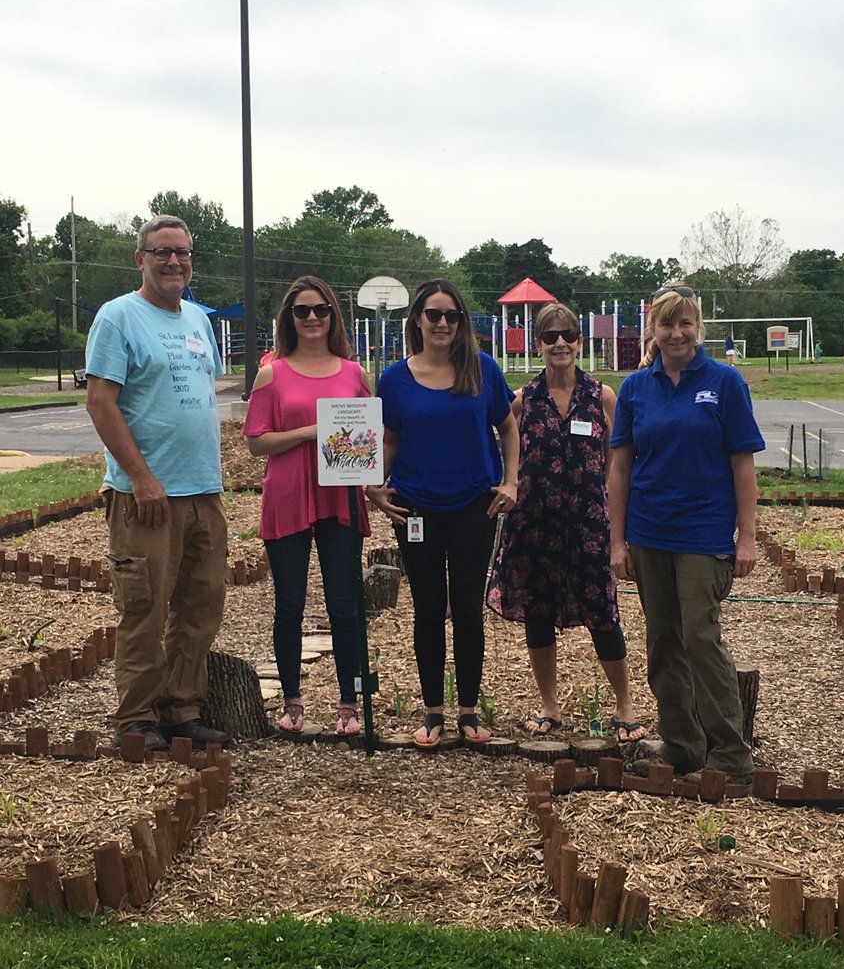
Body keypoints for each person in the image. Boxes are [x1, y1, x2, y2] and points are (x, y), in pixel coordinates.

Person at [608, 284, 765, 781]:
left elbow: (743, 465)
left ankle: (731, 758)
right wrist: (617, 540)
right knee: (663, 643)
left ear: (699, 328)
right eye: (666, 324)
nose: (676, 333)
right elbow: (620, 468)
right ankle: (682, 744)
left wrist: (747, 537)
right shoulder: (636, 388)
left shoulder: (724, 382)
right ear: (652, 329)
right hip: (649, 532)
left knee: (701, 638)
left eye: (685, 323)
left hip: (704, 534)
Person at [85, 214, 229, 752]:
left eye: (183, 253)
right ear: (140, 258)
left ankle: (181, 710)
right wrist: (142, 478)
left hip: (202, 491)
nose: (174, 262)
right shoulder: (118, 317)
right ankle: (137, 719)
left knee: (200, 605)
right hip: (145, 495)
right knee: (144, 608)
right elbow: (101, 401)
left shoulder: (196, 319)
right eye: (162, 252)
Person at [367, 279, 519, 747]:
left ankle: (469, 711)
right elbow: (389, 439)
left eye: (451, 316)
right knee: (429, 609)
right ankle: (433, 710)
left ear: (461, 323)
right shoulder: (394, 378)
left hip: (475, 504)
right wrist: (374, 486)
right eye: (433, 315)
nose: (442, 324)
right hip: (416, 507)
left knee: (469, 608)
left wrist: (512, 481)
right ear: (417, 319)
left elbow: (508, 426)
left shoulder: (483, 370)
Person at [487, 302, 644, 742]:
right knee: (538, 616)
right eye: (550, 335)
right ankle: (549, 706)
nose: (560, 343)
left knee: (603, 614)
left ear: (580, 341)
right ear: (538, 344)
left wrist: (620, 530)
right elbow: (501, 451)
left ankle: (625, 704)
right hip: (533, 527)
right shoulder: (522, 401)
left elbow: (618, 466)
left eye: (568, 335)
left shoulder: (602, 396)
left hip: (589, 527)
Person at [242, 276, 371, 736]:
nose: (312, 317)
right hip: (289, 494)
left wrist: (373, 485)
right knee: (289, 604)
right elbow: (256, 442)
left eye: (321, 309)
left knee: (345, 605)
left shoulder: (354, 373)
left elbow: (365, 439)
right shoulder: (272, 374)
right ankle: (293, 700)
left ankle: (349, 703)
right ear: (288, 319)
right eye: (302, 311)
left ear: (333, 315)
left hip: (341, 496)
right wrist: (309, 433)